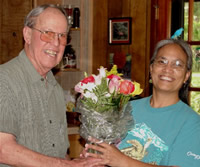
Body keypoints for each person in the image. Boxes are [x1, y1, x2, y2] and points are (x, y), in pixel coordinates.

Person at [0, 4, 101, 167]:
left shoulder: (55, 90)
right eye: (48, 33)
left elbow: (56, 155)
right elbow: (3, 150)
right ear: (27, 34)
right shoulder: (4, 80)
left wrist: (80, 163)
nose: (56, 43)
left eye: (62, 36)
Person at [84, 39, 200, 167]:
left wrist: (121, 161)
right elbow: (107, 153)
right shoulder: (126, 108)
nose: (168, 69)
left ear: (186, 76)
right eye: (162, 61)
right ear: (151, 68)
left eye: (177, 64)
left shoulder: (192, 123)